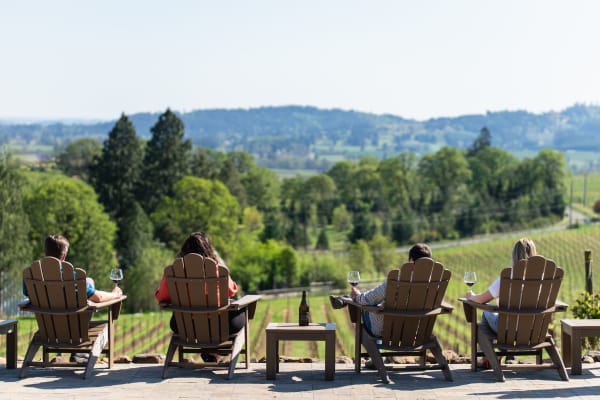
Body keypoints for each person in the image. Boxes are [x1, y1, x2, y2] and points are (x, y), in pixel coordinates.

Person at [155, 231, 244, 358]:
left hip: (184, 327)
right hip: (219, 327)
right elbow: (232, 290)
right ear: (209, 250)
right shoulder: (218, 269)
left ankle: (211, 352)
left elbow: (161, 297)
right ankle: (214, 350)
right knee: (244, 310)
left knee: (191, 320)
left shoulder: (173, 272)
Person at [347, 243, 433, 337]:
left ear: (411, 260)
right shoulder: (433, 282)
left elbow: (370, 299)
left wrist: (358, 296)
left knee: (367, 308)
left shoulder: (397, 279)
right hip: (414, 331)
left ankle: (376, 349)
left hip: (386, 331)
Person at [466, 237, 537, 334]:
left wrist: (471, 296)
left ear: (514, 256)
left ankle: (494, 347)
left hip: (508, 330)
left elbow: (481, 300)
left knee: (486, 313)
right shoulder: (541, 279)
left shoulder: (507, 278)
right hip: (532, 330)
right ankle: (497, 347)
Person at [24, 234, 123, 302]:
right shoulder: (72, 277)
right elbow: (99, 298)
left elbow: (27, 294)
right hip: (76, 328)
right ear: (63, 256)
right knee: (88, 283)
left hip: (46, 327)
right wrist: (114, 294)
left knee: (88, 281)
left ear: (45, 252)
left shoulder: (30, 276)